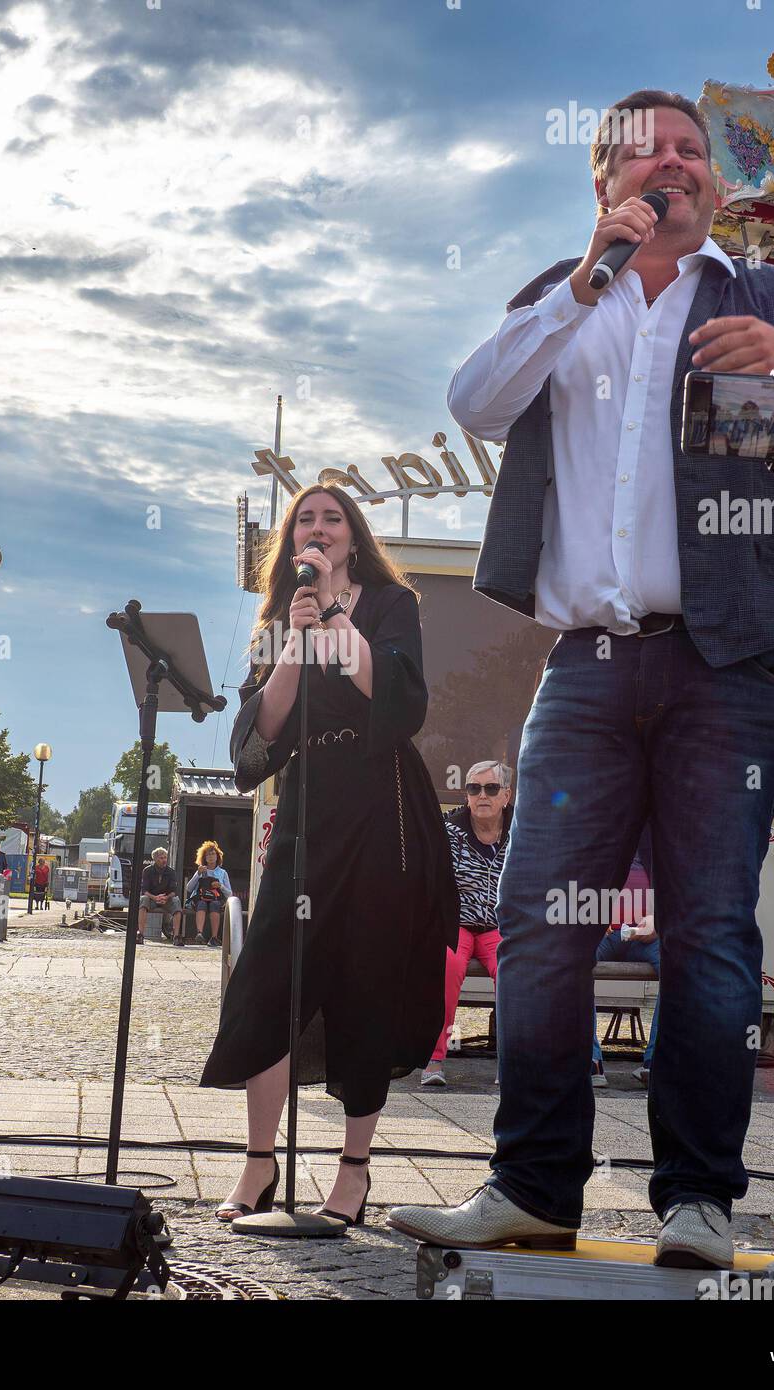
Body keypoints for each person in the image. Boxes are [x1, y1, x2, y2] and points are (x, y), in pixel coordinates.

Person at [389, 89, 774, 1268]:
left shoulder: (771, 289)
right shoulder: (560, 297)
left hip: (733, 664)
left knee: (710, 935)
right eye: (645, 156)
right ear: (603, 182)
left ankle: (696, 1198)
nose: (673, 168)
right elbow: (474, 402)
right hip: (586, 666)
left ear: (715, 183)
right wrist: (586, 279)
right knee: (540, 927)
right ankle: (531, 1184)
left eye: (691, 152)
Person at [201, 483, 458, 1227]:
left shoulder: (388, 604)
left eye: (331, 519)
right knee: (267, 980)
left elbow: (403, 702)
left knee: (366, 983)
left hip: (381, 804)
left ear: (353, 536)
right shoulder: (279, 617)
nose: (318, 529)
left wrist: (340, 623)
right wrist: (292, 639)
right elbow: (258, 736)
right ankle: (258, 1166)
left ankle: (354, 1171)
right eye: (305, 520)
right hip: (308, 805)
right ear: (292, 540)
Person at [420, 760, 513, 1089]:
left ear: (506, 795)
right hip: (456, 923)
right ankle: (434, 1057)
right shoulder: (448, 831)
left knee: (512, 971)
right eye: (474, 788)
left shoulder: (522, 834)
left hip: (499, 927)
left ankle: (512, 1061)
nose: (482, 795)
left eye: (490, 788)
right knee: (447, 965)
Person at [591, 835, 657, 1090]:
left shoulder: (657, 839)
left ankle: (655, 1062)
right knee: (573, 962)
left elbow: (679, 886)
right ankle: (590, 1060)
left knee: (679, 965)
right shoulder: (601, 830)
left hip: (646, 935)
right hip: (602, 932)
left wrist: (658, 920)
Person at [185, 840, 232, 948]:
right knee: (201, 903)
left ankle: (214, 937)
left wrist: (221, 886)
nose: (211, 856)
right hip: (201, 899)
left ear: (217, 856)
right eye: (208, 854)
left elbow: (230, 894)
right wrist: (198, 874)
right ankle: (199, 933)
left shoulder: (223, 873)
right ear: (204, 858)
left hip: (216, 899)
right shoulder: (200, 870)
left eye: (213, 853)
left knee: (214, 904)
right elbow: (189, 888)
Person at [138, 846, 181, 943]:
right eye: (161, 858)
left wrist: (166, 897)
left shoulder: (171, 872)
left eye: (165, 857)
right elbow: (144, 890)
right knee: (143, 900)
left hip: (166, 899)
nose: (164, 860)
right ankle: (140, 934)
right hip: (152, 899)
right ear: (155, 859)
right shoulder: (147, 871)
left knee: (176, 901)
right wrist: (154, 897)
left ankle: (176, 936)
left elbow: (174, 891)